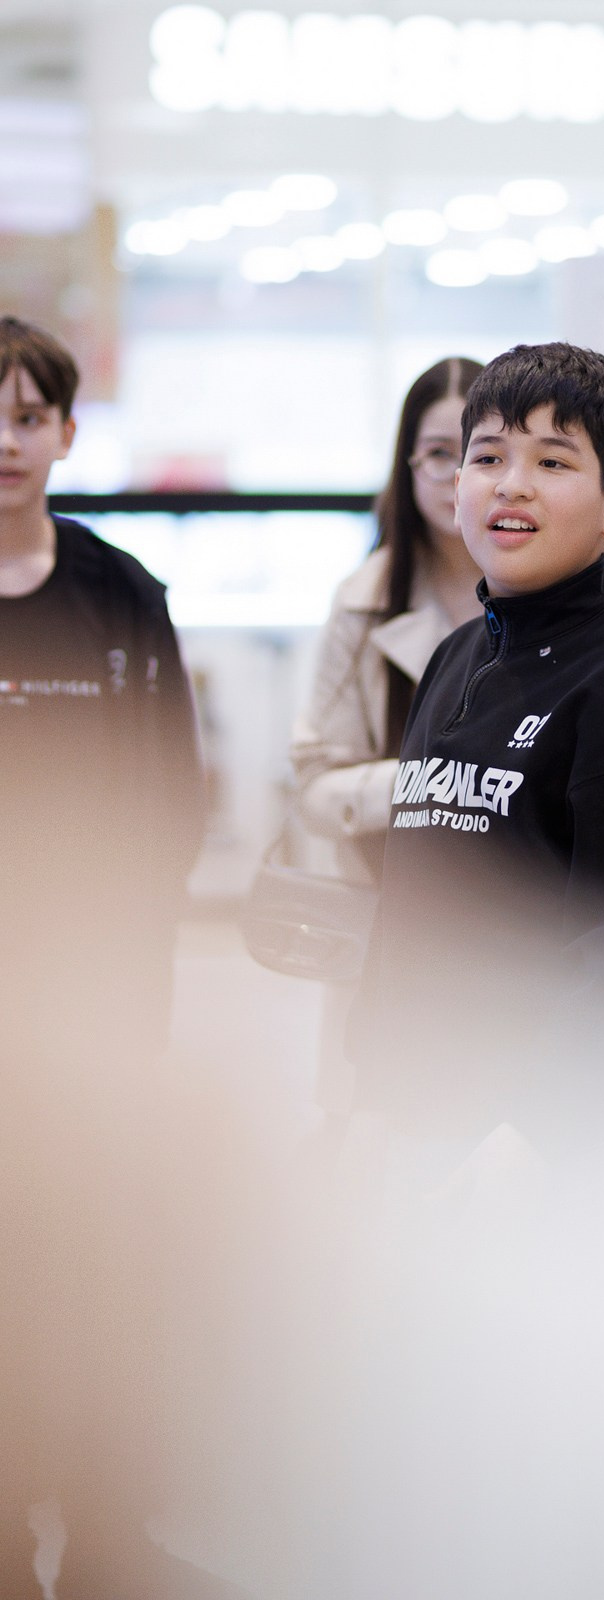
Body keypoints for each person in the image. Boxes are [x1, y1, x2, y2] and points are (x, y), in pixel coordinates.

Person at [339, 344, 604, 1599]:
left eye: (551, 461)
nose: (507, 485)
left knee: (561, 1470)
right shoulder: (456, 660)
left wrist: (523, 1140)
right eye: (485, 455)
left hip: (564, 1148)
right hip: (430, 1124)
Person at [0, 317, 247, 1595]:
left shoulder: (121, 595)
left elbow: (171, 800)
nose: (5, 440)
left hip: (98, 1008)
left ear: (64, 432)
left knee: (102, 1265)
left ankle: (104, 1531)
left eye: (26, 415)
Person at [290, 355, 484, 1115]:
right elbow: (316, 785)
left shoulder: (556, 591)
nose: (456, 476)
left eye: (479, 452)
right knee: (385, 1138)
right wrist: (437, 783)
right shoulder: (364, 600)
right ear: (406, 465)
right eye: (436, 453)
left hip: (528, 929)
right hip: (389, 925)